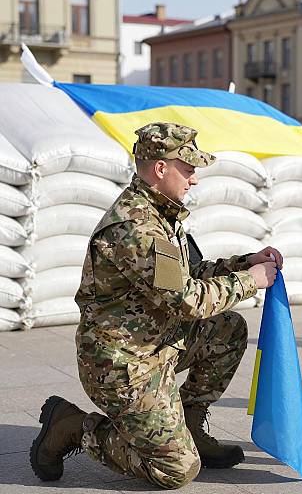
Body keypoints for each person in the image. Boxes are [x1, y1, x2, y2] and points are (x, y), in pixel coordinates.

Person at [30, 122, 283, 490]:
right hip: (122, 365)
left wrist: (243, 263)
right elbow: (186, 300)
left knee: (227, 328)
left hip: (156, 344)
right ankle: (72, 427)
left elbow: (187, 275)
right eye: (190, 168)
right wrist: (251, 281)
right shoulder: (135, 227)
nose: (194, 179)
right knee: (176, 470)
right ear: (161, 168)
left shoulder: (162, 212)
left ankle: (190, 427)